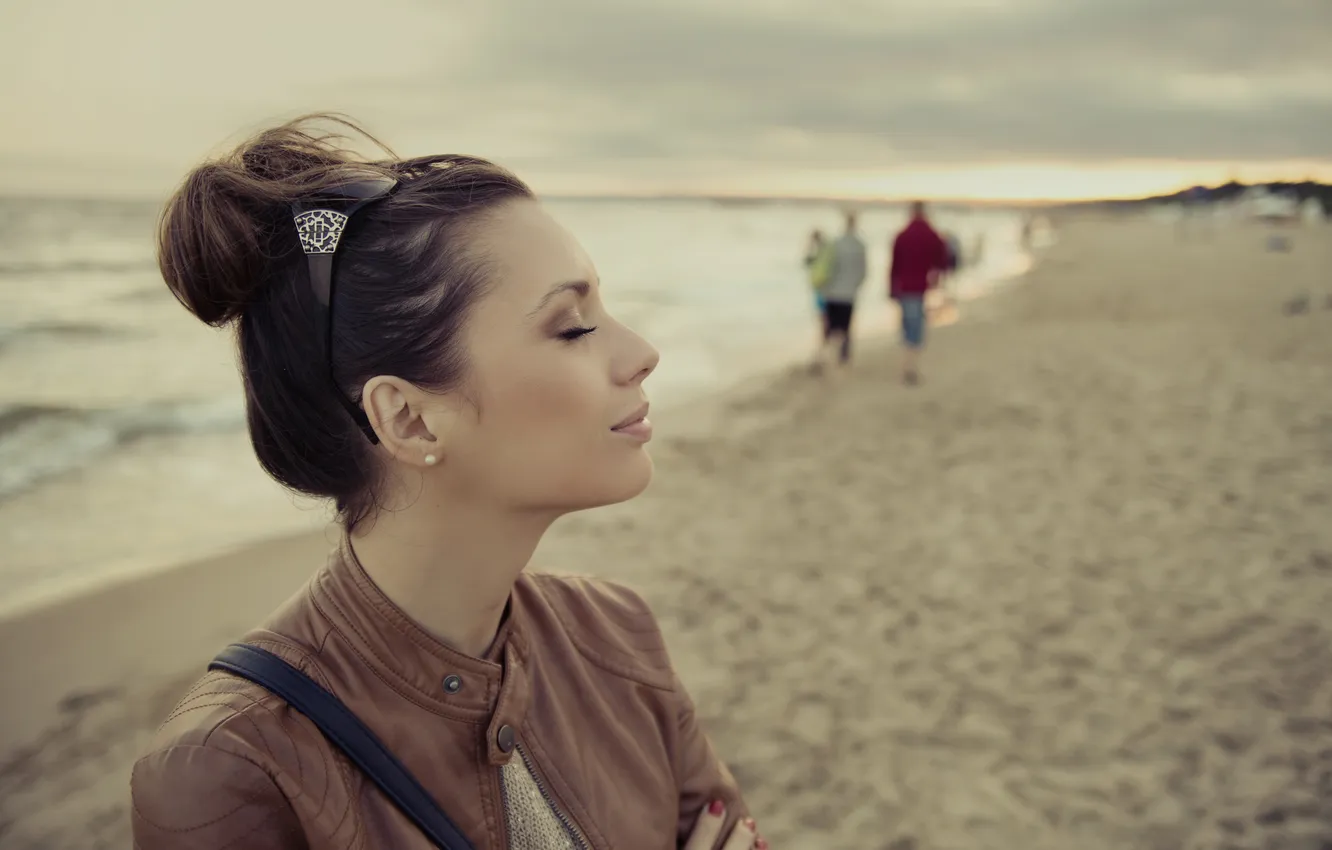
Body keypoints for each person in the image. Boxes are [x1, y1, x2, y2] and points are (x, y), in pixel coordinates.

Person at [129, 115, 765, 850]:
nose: (642, 353)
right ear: (409, 419)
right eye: (571, 326)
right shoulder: (231, 772)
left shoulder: (617, 635)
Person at [888, 201, 948, 385]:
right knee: (915, 325)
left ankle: (908, 365)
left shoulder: (902, 235)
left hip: (904, 287)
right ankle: (911, 365)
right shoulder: (931, 234)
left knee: (909, 325)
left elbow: (894, 265)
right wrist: (936, 275)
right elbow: (943, 257)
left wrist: (891, 289)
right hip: (920, 287)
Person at [815, 210, 868, 371]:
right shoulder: (860, 245)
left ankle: (827, 358)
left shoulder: (835, 243)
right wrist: (854, 286)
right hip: (848, 294)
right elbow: (863, 272)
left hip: (832, 293)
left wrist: (824, 288)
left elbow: (825, 268)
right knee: (845, 329)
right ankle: (842, 359)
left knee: (830, 329)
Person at [803, 227, 833, 352]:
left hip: (824, 287)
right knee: (823, 315)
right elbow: (807, 262)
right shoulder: (820, 251)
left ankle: (825, 338)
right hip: (820, 286)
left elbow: (808, 262)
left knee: (824, 315)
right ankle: (825, 338)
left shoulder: (825, 251)